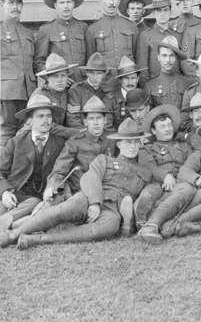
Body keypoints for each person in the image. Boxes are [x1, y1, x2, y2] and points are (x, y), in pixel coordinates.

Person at [3, 118, 152, 249]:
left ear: (140, 144)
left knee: (108, 227)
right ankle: (13, 235)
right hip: (88, 198)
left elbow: (148, 193)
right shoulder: (104, 160)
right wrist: (95, 203)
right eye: (128, 142)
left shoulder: (145, 172)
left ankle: (37, 239)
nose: (132, 146)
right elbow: (89, 178)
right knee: (62, 210)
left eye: (136, 142)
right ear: (119, 144)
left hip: (113, 210)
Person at [0, 94, 66, 232]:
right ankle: (19, 221)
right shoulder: (16, 142)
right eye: (40, 116)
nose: (45, 120)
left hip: (41, 196)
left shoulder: (60, 143)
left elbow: (61, 171)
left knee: (35, 203)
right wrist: (5, 192)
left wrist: (52, 187)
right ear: (30, 120)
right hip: (15, 193)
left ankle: (9, 222)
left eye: (48, 116)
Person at [45, 96, 116, 203]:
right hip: (80, 192)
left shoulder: (112, 140)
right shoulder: (75, 142)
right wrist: (51, 186)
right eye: (91, 119)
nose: (96, 123)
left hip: (105, 192)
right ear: (85, 121)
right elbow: (60, 169)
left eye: (99, 118)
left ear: (105, 120)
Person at [136, 105, 190, 235]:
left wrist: (176, 179)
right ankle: (140, 224)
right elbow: (148, 166)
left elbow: (190, 165)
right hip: (156, 182)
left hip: (179, 182)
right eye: (162, 126)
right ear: (154, 131)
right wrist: (166, 176)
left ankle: (154, 225)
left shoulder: (183, 146)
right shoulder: (148, 148)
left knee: (170, 199)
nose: (168, 129)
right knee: (147, 196)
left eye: (169, 125)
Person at [0, 0, 36, 146]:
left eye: (19, 3)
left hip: (28, 91)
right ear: (2, 4)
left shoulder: (27, 33)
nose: (15, 7)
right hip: (7, 92)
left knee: (25, 132)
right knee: (6, 131)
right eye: (11, 2)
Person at [35, 0, 88, 81]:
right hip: (59, 85)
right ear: (55, 5)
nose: (66, 6)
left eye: (69, 2)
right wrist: (55, 78)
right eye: (62, 3)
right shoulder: (46, 29)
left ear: (74, 4)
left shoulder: (83, 27)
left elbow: (89, 57)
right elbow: (39, 62)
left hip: (81, 82)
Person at [86, 0, 137, 69]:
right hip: (105, 76)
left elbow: (137, 54)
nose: (111, 2)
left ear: (119, 1)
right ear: (101, 0)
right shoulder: (93, 29)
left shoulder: (131, 26)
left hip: (127, 75)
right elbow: (91, 59)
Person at [136, 0, 182, 83]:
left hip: (175, 83)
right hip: (154, 84)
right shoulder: (146, 35)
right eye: (159, 10)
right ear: (153, 13)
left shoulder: (177, 35)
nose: (162, 14)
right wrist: (146, 86)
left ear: (170, 12)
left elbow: (180, 63)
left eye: (165, 10)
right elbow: (142, 67)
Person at [66, 53, 114, 129]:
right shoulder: (76, 90)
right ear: (86, 73)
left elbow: (109, 118)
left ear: (104, 74)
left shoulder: (107, 92)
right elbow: (72, 120)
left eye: (99, 73)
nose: (95, 77)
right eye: (92, 73)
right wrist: (89, 133)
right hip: (83, 133)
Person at [145, 36, 191, 109]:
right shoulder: (150, 85)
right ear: (158, 57)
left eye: (171, 55)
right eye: (164, 55)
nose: (168, 60)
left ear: (176, 57)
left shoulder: (186, 82)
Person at [33, 53, 77, 131]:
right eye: (55, 76)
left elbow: (73, 120)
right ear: (48, 78)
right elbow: (45, 126)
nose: (60, 80)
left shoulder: (70, 92)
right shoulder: (40, 95)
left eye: (63, 75)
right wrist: (75, 132)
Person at [112, 56, 146, 127]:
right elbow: (107, 127)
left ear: (138, 79)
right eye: (126, 78)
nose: (130, 82)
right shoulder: (111, 100)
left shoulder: (144, 97)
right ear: (120, 80)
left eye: (133, 78)